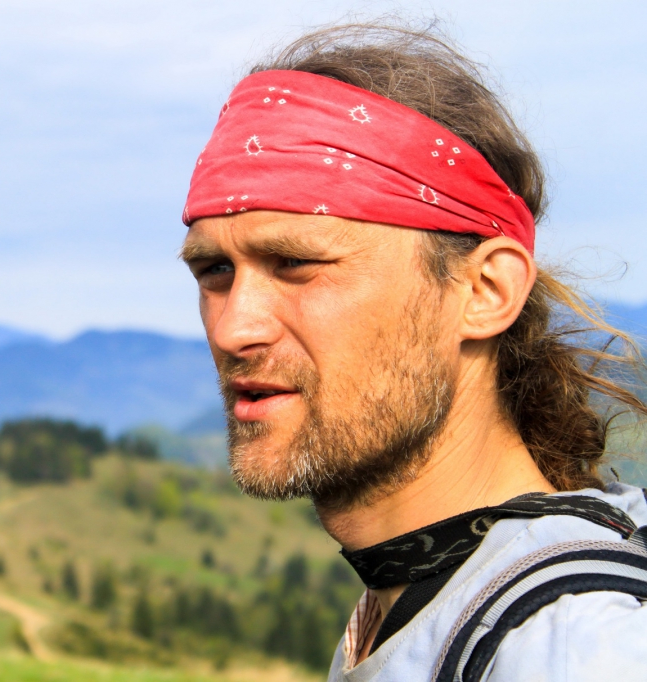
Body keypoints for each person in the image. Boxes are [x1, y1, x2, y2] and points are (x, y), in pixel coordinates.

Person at [179, 23, 647, 681]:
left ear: (484, 291)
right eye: (215, 271)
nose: (233, 328)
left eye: (295, 263)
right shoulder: (426, 601)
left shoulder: (573, 647)